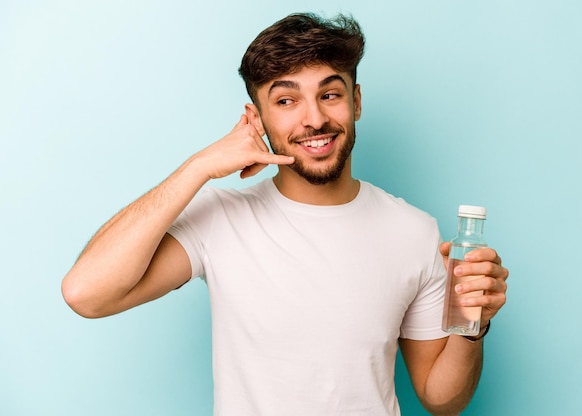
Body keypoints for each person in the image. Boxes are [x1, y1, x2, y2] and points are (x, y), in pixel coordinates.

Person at [62, 12, 509, 416]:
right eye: (286, 101)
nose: (313, 119)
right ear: (256, 118)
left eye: (329, 94)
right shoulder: (221, 219)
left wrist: (473, 325)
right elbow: (86, 293)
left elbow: (441, 399)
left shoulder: (413, 231)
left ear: (355, 102)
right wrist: (197, 168)